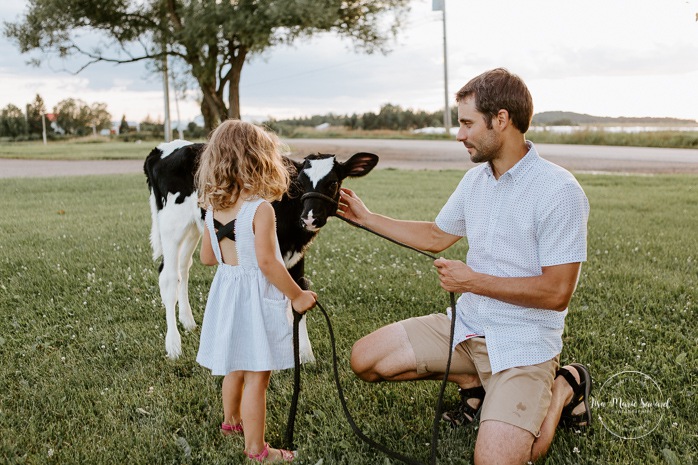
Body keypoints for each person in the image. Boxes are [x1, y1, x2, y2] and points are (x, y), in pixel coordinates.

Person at [337, 68, 592, 464]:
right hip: (466, 329)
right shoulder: (476, 181)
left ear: (502, 120)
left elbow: (557, 293)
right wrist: (367, 217)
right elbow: (437, 235)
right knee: (365, 360)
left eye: (467, 123)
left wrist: (473, 281)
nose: (460, 135)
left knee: (496, 461)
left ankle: (564, 388)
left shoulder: (559, 191)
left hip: (523, 344)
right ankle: (473, 382)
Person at [195, 119, 317, 463]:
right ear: (260, 160)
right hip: (255, 297)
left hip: (226, 292)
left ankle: (231, 422)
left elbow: (207, 257)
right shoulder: (260, 209)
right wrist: (298, 295)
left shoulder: (211, 208)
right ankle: (257, 450)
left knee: (234, 364)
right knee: (257, 376)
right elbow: (268, 263)